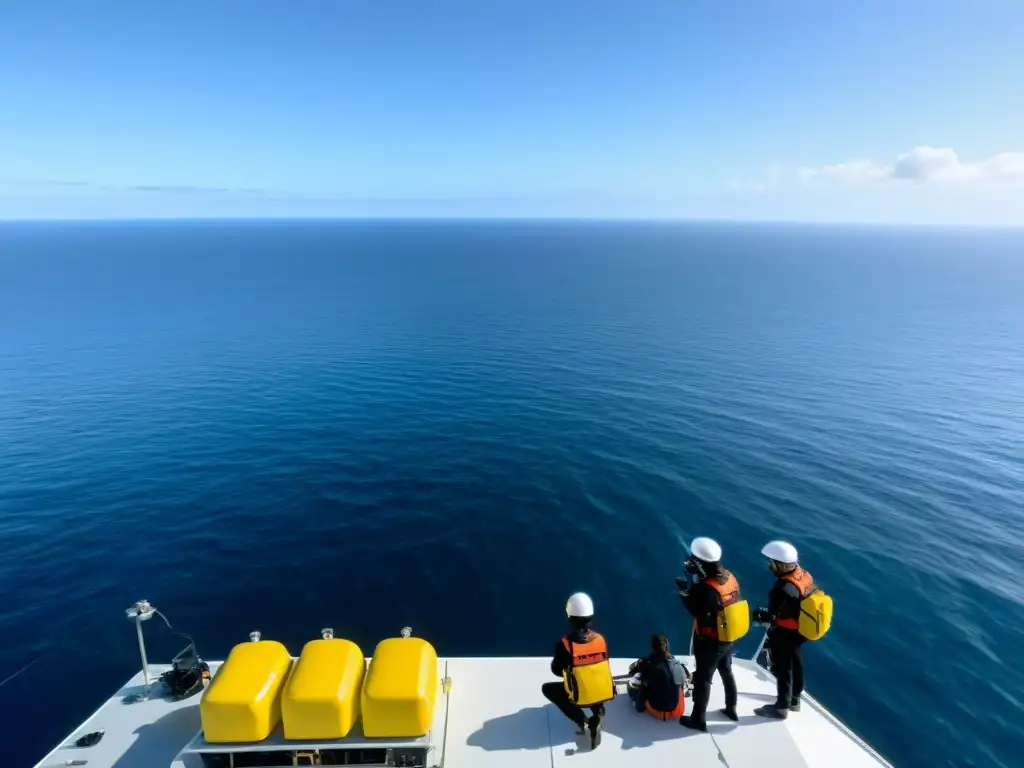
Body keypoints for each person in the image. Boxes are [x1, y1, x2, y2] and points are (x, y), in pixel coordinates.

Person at [675, 537, 746, 731]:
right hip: (727, 638)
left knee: (703, 680)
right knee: (726, 671)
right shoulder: (730, 577)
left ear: (700, 561)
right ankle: (731, 708)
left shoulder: (707, 589)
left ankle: (698, 719)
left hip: (710, 642)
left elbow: (696, 610)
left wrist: (683, 592)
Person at [541, 592, 614, 749]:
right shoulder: (601, 639)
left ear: (570, 616)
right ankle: (598, 710)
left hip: (580, 696)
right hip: (603, 693)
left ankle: (584, 723)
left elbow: (556, 670)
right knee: (590, 677)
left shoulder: (565, 645)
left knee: (547, 688)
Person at [753, 540, 814, 719]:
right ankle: (795, 699)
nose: (770, 565)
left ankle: (781, 707)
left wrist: (761, 616)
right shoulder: (803, 575)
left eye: (772, 562)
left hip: (786, 633)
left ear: (779, 564)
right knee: (796, 662)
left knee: (783, 667)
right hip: (802, 631)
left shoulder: (782, 588)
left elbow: (774, 614)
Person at [627, 634, 688, 720]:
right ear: (667, 646)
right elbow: (683, 678)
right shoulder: (676, 664)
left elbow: (637, 675)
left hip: (655, 709)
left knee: (638, 685)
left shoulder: (649, 665)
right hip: (675, 709)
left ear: (653, 647)